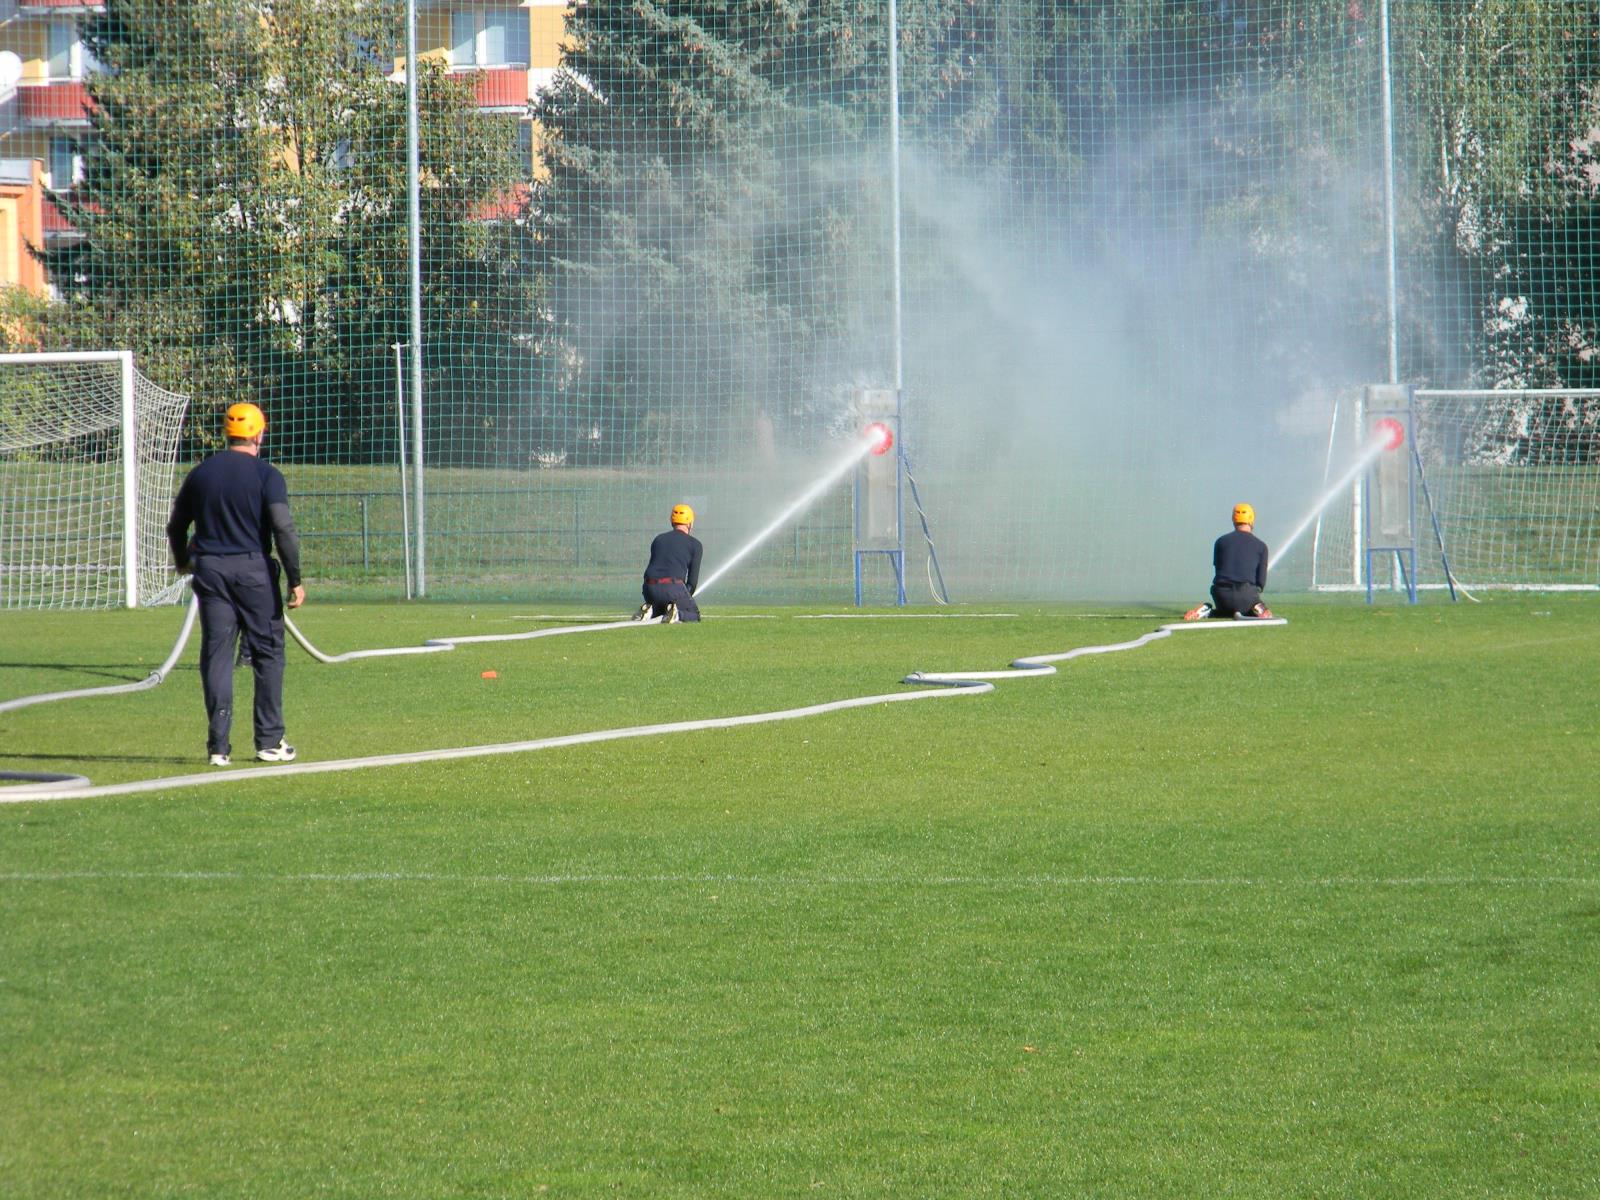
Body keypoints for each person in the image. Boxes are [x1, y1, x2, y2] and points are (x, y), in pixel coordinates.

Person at [166, 402, 306, 766]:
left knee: (216, 655)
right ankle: (270, 741)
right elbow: (282, 528)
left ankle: (218, 747)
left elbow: (176, 526)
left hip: (210, 573)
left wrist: (183, 562)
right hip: (253, 571)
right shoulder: (267, 475)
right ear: (259, 433)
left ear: (228, 434)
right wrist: (295, 579)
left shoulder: (201, 474)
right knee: (268, 654)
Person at [1185, 502, 1273, 620]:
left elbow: (1218, 570)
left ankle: (1207, 609)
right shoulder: (1261, 546)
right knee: (1252, 606)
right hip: (1247, 598)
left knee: (1225, 612)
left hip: (1221, 597)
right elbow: (1261, 583)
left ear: (1233, 519)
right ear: (1252, 519)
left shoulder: (1220, 542)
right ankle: (1258, 608)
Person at [636, 503, 703, 623]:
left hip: (649, 589)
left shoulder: (658, 539)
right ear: (690, 523)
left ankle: (648, 611)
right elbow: (692, 582)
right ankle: (678, 615)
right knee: (694, 615)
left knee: (663, 613)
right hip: (673, 588)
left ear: (672, 521)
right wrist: (685, 598)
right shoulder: (695, 545)